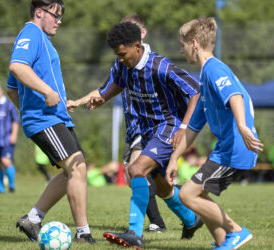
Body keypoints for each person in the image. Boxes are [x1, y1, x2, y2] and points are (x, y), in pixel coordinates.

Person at [70, 21, 202, 249]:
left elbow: (196, 90)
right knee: (161, 187)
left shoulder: (161, 67)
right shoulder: (124, 65)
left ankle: (134, 233)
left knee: (135, 170)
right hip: (147, 129)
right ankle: (192, 220)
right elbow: (118, 84)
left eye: (123, 54)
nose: (120, 59)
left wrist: (184, 128)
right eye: (117, 55)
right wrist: (102, 98)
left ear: (137, 46)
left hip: (168, 126)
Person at [166, 17, 264, 250]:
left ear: (195, 43)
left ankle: (236, 231)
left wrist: (242, 126)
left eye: (183, 43)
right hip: (227, 148)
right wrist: (173, 159)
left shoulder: (213, 69)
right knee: (197, 195)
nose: (181, 49)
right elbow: (192, 129)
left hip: (235, 147)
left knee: (187, 195)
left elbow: (235, 96)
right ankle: (223, 242)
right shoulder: (205, 79)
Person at [6, 0, 95, 244]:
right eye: (56, 14)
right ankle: (83, 233)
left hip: (53, 116)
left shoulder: (42, 40)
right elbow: (17, 67)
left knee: (72, 172)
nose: (59, 20)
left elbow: (12, 89)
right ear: (39, 12)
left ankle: (32, 220)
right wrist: (46, 94)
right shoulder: (31, 34)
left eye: (60, 15)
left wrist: (53, 99)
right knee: (77, 167)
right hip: (45, 119)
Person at [68, 14, 167, 233]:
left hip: (150, 127)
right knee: (156, 184)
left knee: (136, 171)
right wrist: (80, 100)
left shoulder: (154, 63)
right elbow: (105, 90)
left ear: (142, 34)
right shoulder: (122, 61)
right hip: (132, 128)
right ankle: (188, 217)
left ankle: (144, 228)